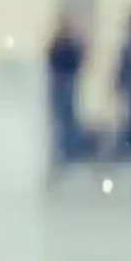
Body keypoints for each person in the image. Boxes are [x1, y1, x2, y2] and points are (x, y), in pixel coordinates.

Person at [46, 18, 87, 171]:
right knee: (63, 119)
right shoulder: (61, 44)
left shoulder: (68, 44)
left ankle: (70, 152)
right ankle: (66, 151)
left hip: (66, 83)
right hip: (62, 84)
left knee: (67, 119)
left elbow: (74, 62)